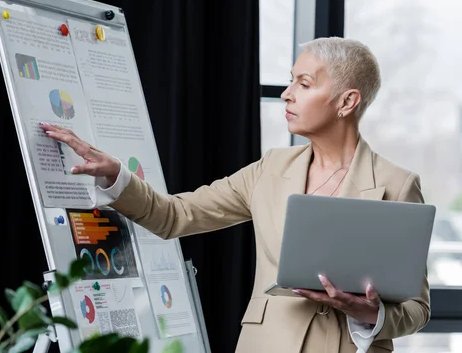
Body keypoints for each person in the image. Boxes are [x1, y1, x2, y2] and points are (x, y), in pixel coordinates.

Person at [39, 37, 430, 353]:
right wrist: (115, 177)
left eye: (304, 84)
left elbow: (417, 308)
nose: (287, 94)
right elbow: (173, 215)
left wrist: (371, 313)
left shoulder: (396, 184)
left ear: (347, 101)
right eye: (291, 80)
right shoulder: (270, 168)